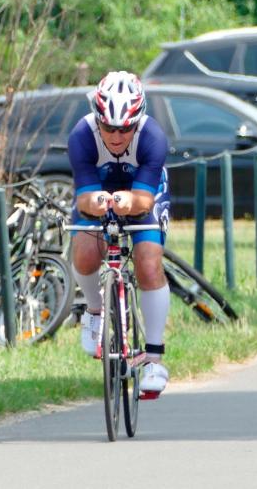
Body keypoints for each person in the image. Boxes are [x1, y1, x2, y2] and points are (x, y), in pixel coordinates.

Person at [67, 70, 171, 395]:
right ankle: (95, 310)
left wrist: (130, 201)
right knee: (85, 252)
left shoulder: (153, 137)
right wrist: (98, 202)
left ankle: (153, 358)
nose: (115, 136)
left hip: (141, 192)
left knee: (149, 263)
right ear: (97, 119)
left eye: (124, 129)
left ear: (137, 122)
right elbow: (84, 198)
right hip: (98, 190)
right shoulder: (82, 135)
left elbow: (144, 200)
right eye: (108, 127)